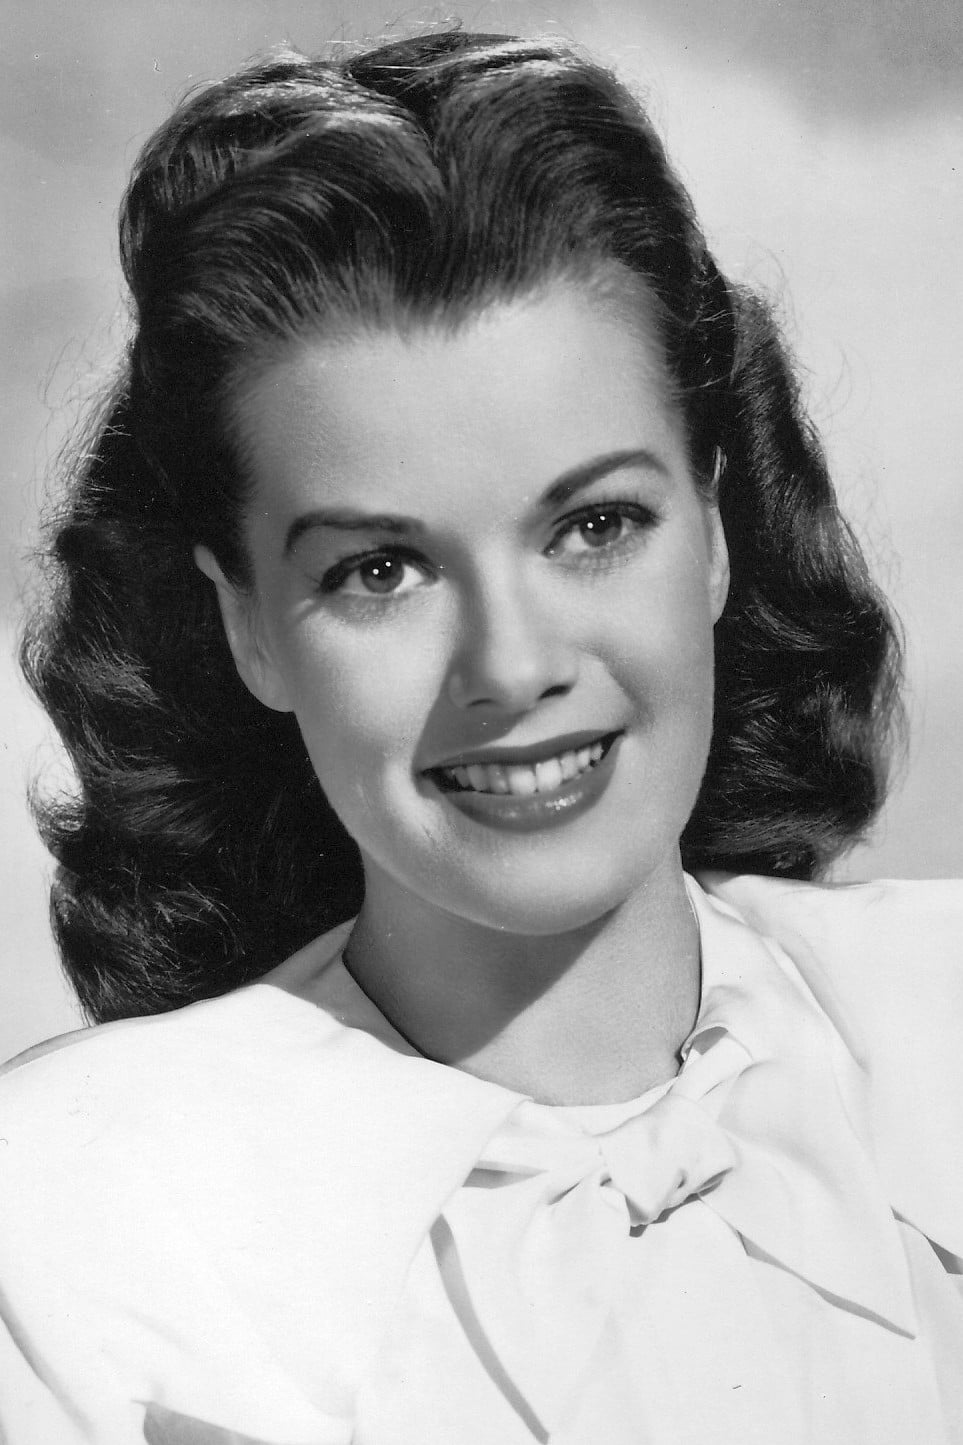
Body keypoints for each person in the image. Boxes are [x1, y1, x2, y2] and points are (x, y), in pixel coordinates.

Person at [1, 26, 961, 1445]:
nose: (512, 667)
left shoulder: (937, 1013)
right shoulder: (70, 1220)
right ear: (249, 625)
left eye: (596, 526)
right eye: (380, 569)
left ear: (713, 529)